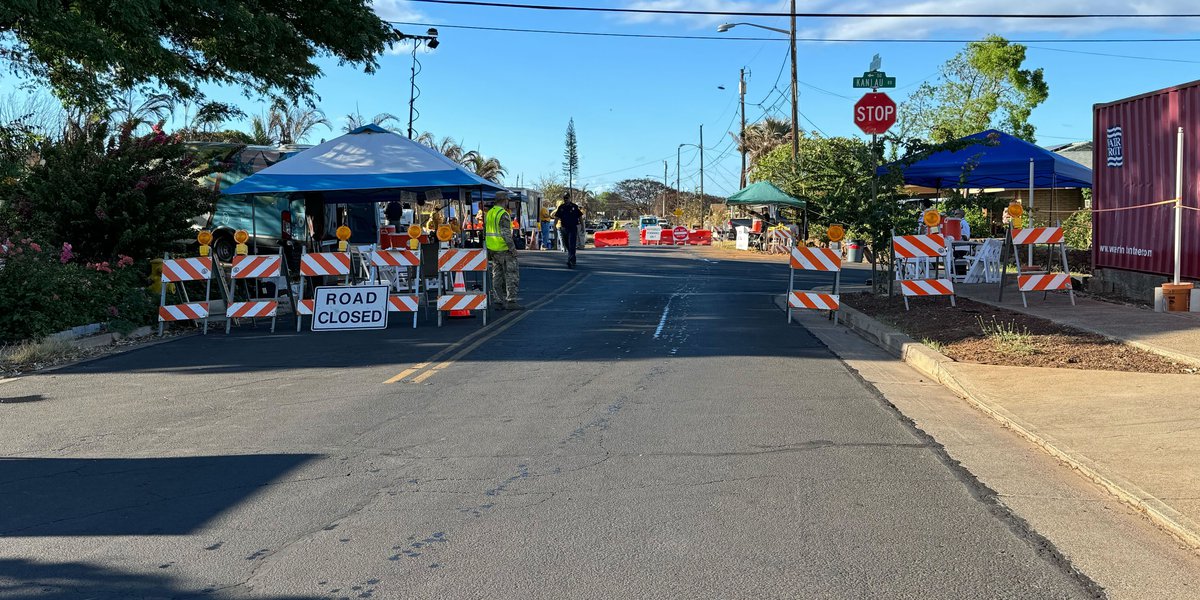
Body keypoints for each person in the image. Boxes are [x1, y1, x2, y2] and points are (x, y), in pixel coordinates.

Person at [484, 192, 522, 310]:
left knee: (497, 275)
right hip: (504, 249)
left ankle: (498, 300)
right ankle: (511, 301)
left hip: (493, 249)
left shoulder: (490, 213)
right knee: (511, 275)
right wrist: (513, 249)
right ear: (504, 200)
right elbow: (506, 234)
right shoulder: (503, 214)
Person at [554, 192, 584, 268]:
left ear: (570, 198)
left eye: (567, 198)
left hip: (573, 228)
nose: (566, 199)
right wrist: (555, 225)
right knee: (567, 244)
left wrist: (582, 226)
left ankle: (571, 260)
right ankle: (570, 257)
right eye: (564, 198)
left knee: (572, 244)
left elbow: (580, 217)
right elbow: (557, 217)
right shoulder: (561, 207)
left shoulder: (574, 206)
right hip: (564, 228)